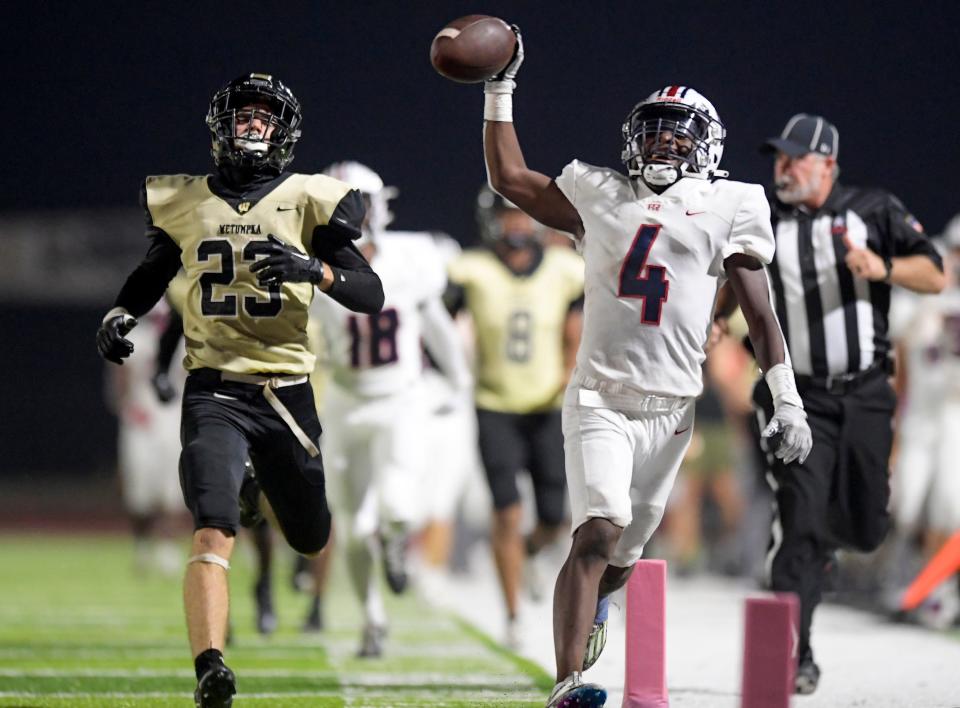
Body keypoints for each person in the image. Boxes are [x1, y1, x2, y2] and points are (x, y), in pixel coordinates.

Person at [469, 27, 813, 707]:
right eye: (653, 132)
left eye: (678, 134)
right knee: (596, 529)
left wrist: (787, 398)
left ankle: (599, 605)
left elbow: (760, 313)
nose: (663, 143)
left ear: (706, 144)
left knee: (621, 558)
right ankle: (567, 684)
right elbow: (509, 178)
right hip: (600, 397)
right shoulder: (599, 192)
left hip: (673, 411)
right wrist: (499, 86)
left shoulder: (733, 204)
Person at [95, 73, 384, 708]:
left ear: (283, 132)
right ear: (221, 126)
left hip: (288, 392)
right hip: (214, 389)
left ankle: (261, 492)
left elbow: (371, 293)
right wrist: (121, 313)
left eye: (265, 118)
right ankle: (211, 667)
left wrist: (317, 269)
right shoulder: (187, 200)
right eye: (244, 117)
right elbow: (152, 272)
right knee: (212, 527)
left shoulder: (311, 198)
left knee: (310, 536)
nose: (253, 127)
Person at [739, 113, 945, 694]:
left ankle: (828, 545)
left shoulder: (873, 209)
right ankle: (793, 654)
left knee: (867, 527)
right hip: (796, 397)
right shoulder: (763, 217)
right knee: (798, 524)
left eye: (795, 158)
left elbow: (934, 272)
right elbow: (733, 278)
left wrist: (882, 266)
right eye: (778, 158)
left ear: (828, 163)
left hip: (865, 392)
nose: (782, 168)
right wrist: (709, 321)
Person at [312, 160, 472, 657]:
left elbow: (433, 320)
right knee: (354, 526)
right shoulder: (307, 261)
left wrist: (459, 376)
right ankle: (372, 619)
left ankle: (399, 541)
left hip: (400, 398)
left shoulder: (411, 257)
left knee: (398, 506)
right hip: (344, 401)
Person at [445, 185, 585, 649]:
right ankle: (511, 617)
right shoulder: (472, 269)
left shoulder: (564, 270)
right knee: (506, 513)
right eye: (508, 216)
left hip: (547, 407)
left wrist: (570, 374)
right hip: (493, 406)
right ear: (492, 220)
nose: (518, 225)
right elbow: (438, 324)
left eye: (523, 216)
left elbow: (576, 328)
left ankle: (529, 553)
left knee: (552, 520)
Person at [883, 214, 960, 629]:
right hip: (919, 415)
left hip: (955, 416)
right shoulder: (918, 300)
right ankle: (901, 581)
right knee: (906, 503)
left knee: (950, 508)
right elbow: (899, 364)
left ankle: (933, 591)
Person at [106, 297, 188, 576]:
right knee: (138, 492)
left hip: (171, 420)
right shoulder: (134, 340)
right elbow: (120, 382)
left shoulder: (185, 341)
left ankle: (167, 546)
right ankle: (141, 544)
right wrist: (126, 407)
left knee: (171, 489)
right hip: (141, 420)